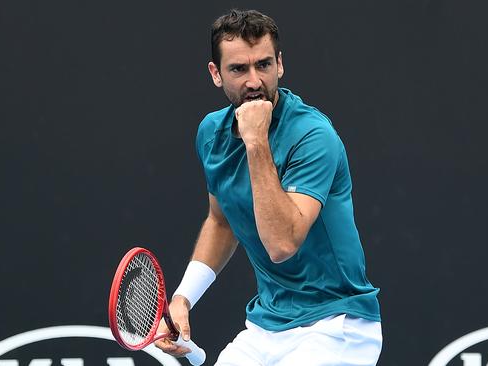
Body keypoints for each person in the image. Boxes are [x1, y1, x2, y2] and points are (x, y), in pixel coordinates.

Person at [155, 9, 382, 365]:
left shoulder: (313, 136)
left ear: (280, 65)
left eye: (263, 65)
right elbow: (222, 221)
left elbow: (281, 244)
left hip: (338, 325)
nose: (254, 81)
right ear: (216, 74)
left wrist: (256, 141)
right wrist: (183, 299)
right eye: (238, 69)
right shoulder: (211, 134)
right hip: (267, 326)